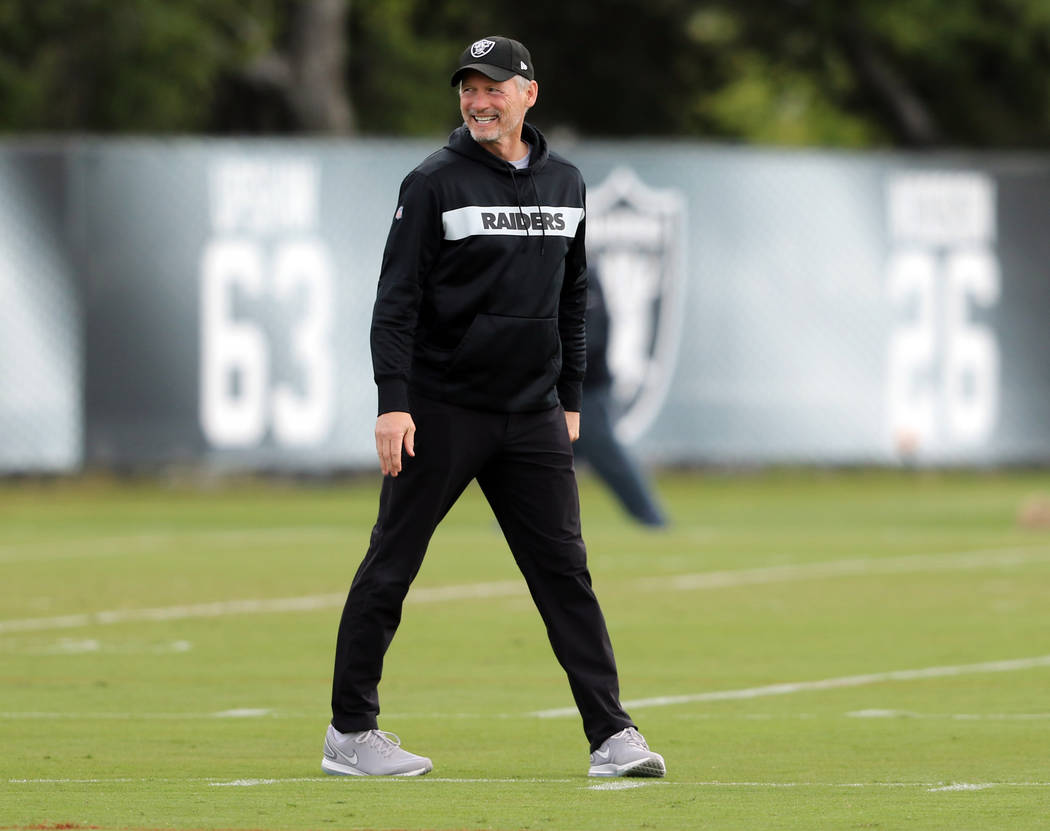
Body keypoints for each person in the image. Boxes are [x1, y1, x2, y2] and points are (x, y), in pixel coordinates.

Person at [321, 35, 665, 779]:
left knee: (564, 574)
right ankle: (350, 732)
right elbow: (395, 303)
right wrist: (393, 403)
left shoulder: (567, 182)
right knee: (391, 565)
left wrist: (569, 399)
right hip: (442, 409)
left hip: (532, 414)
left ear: (528, 95)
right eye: (469, 90)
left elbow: (573, 297)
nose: (479, 101)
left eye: (494, 88)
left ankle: (612, 734)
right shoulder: (433, 181)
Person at [574, 271, 668, 527]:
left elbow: (591, 336)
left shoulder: (583, 273)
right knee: (547, 458)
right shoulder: (545, 271)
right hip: (558, 386)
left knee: (607, 455)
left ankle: (651, 517)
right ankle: (521, 520)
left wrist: (564, 364)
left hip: (588, 387)